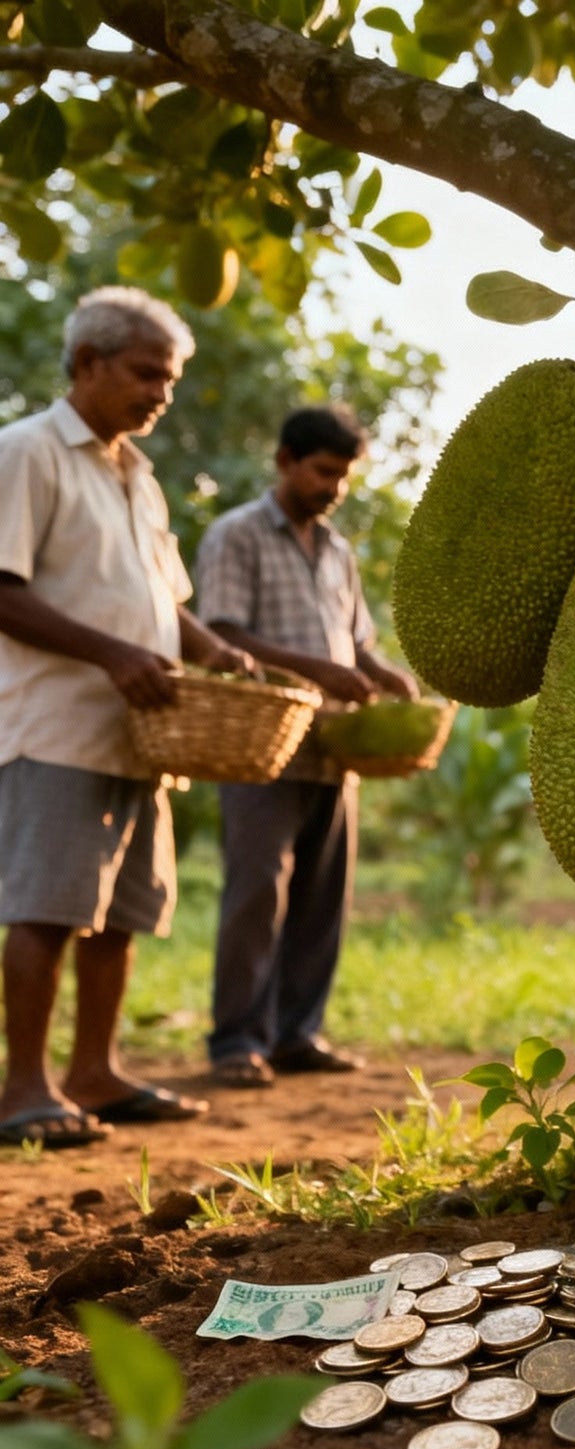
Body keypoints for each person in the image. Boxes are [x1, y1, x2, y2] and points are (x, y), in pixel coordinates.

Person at [0, 287, 256, 1148]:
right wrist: (110, 655)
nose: (162, 394)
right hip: (57, 725)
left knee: (122, 912)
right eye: (148, 374)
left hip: (145, 733)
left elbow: (165, 599)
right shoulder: (28, 453)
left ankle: (95, 1073)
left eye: (172, 380)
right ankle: (24, 1086)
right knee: (47, 907)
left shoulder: (139, 476)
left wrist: (210, 649)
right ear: (86, 364)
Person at [195, 406, 417, 1089]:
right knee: (259, 892)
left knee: (324, 897)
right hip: (265, 743)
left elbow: (357, 643)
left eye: (345, 476)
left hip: (335, 750)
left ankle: (296, 1034)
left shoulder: (338, 552)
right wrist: (317, 671)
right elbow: (224, 634)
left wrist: (381, 674)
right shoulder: (237, 534)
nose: (334, 488)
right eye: (324, 471)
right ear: (286, 460)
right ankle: (237, 1040)